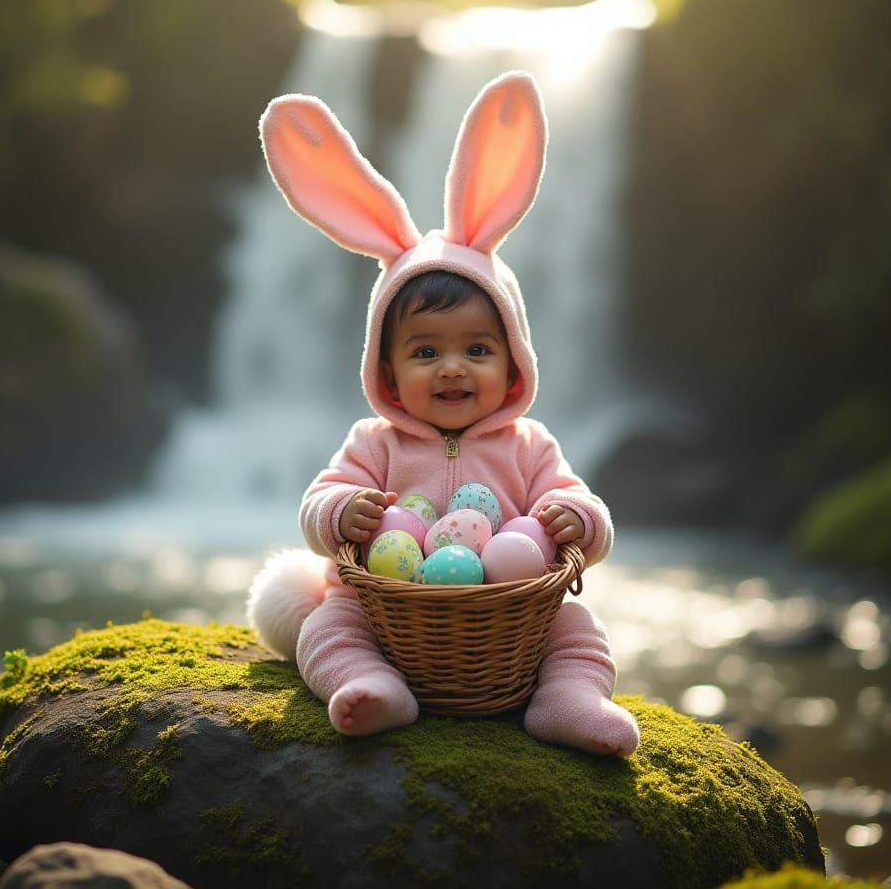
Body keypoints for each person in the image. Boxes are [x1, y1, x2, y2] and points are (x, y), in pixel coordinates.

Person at [247, 71, 640, 757]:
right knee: (326, 625)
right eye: (426, 351)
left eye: (478, 349)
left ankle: (566, 700)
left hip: (507, 631)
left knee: (575, 628)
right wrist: (345, 514)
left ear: (515, 362)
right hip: (383, 612)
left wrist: (579, 521)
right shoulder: (375, 441)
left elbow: (585, 514)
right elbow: (318, 502)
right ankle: (372, 687)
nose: (453, 368)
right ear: (387, 372)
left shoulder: (530, 447)